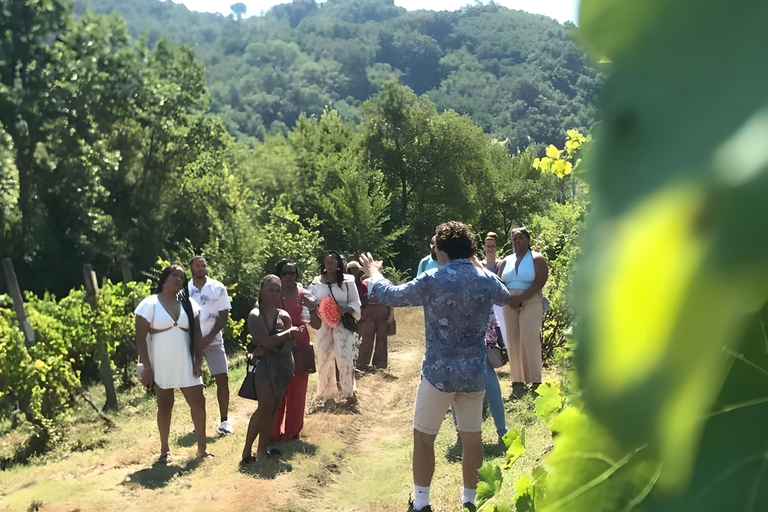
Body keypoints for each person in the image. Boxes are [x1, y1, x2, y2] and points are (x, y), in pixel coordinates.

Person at [360, 221, 511, 512]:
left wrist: (374, 272)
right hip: (473, 374)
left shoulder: (433, 278)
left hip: (438, 374)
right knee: (472, 437)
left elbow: (392, 295)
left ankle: (422, 503)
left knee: (424, 436)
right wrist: (478, 265)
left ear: (441, 250)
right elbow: (505, 296)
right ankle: (469, 499)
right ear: (469, 250)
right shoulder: (485, 279)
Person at [134, 264, 211, 463]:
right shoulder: (149, 304)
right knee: (165, 405)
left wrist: (198, 360)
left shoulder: (189, 304)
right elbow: (140, 339)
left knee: (198, 402)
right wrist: (147, 367)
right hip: (161, 362)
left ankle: (202, 449)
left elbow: (196, 334)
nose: (179, 280)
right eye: (175, 275)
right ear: (165, 278)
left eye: (182, 277)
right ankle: (164, 450)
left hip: (186, 361)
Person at [242, 275, 299, 462]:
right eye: (270, 289)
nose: (274, 293)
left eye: (277, 290)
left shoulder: (284, 315)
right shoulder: (254, 315)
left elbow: (289, 345)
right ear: (261, 291)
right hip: (264, 366)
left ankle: (262, 451)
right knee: (265, 406)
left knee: (274, 408)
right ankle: (247, 451)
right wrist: (285, 335)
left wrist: (267, 345)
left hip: (283, 365)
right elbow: (268, 339)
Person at [497, 227, 549, 397]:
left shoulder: (537, 258)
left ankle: (535, 379)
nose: (517, 241)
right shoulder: (506, 260)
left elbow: (540, 281)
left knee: (529, 338)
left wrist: (521, 298)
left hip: (531, 300)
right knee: (512, 339)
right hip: (509, 302)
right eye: (514, 238)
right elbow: (499, 281)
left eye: (520, 238)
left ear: (527, 239)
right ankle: (517, 380)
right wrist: (510, 299)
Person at [307, 250, 362, 405]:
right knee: (324, 357)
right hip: (324, 325)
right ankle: (327, 394)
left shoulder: (347, 281)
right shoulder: (317, 282)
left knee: (344, 356)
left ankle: (348, 392)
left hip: (342, 323)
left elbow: (356, 302)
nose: (330, 265)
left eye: (333, 262)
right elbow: (310, 301)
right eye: (327, 262)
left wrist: (343, 310)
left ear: (339, 264)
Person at [188, 256, 233, 436]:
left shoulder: (218, 287)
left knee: (222, 378)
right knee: (193, 383)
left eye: (204, 265)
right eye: (197, 266)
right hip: (191, 343)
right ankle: (198, 421)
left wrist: (210, 336)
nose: (201, 268)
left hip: (214, 341)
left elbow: (224, 315)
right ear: (191, 267)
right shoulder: (184, 289)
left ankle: (224, 421)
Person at [271, 259, 315, 441]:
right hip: (278, 348)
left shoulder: (305, 295)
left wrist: (313, 308)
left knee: (297, 393)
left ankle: (292, 432)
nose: (289, 276)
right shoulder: (272, 295)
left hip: (301, 347)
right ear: (278, 275)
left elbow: (317, 325)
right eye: (285, 273)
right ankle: (272, 432)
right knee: (276, 392)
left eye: (292, 272)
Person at [354, 261, 395, 371]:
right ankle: (362, 364)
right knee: (366, 338)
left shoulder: (386, 282)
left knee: (382, 338)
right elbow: (360, 300)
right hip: (369, 313)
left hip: (383, 312)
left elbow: (391, 300)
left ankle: (379, 365)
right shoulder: (365, 283)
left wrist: (391, 315)